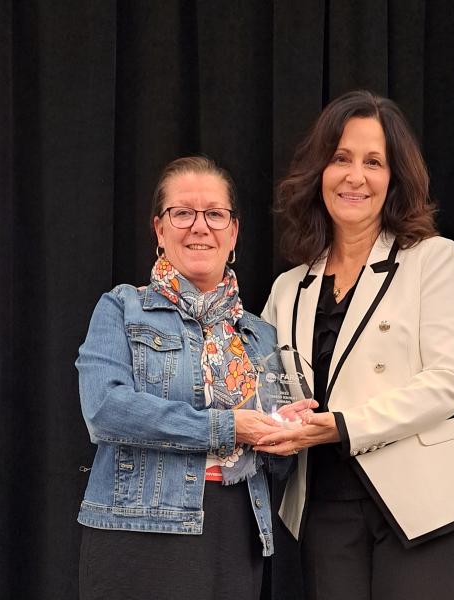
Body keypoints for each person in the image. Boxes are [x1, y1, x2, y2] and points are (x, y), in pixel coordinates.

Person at [256, 91, 454, 600]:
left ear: (394, 179)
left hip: (425, 501)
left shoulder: (432, 258)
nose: (354, 176)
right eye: (340, 158)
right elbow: (264, 388)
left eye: (373, 162)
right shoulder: (288, 288)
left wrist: (344, 426)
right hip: (323, 505)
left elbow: (453, 380)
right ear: (319, 171)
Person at [75, 156, 314, 600]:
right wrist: (228, 426)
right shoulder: (122, 307)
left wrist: (286, 434)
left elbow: (277, 464)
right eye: (182, 213)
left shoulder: (260, 335)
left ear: (234, 233)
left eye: (215, 214)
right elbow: (106, 410)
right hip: (139, 528)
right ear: (159, 231)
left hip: (237, 530)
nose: (199, 226)